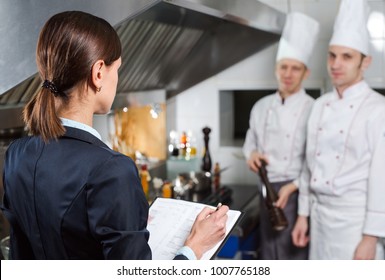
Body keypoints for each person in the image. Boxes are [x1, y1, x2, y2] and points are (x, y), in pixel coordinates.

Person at [0, 11, 228, 260]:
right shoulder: (111, 170)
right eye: (116, 68)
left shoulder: (17, 154)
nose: (116, 78)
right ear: (98, 73)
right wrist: (194, 247)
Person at [292, 0, 385, 260]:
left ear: (365, 62)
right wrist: (303, 215)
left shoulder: (379, 110)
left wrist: (370, 238)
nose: (336, 64)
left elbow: (382, 178)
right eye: (332, 55)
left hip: (355, 226)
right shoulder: (320, 105)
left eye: (347, 57)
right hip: (319, 220)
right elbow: (308, 166)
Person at [243, 12, 320, 260]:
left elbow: (316, 160)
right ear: (276, 69)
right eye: (284, 67)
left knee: (294, 253)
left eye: (295, 68)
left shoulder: (314, 109)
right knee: (269, 251)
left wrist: (294, 186)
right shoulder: (261, 106)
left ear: (305, 73)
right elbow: (250, 141)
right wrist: (251, 154)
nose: (288, 73)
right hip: (265, 188)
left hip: (297, 190)